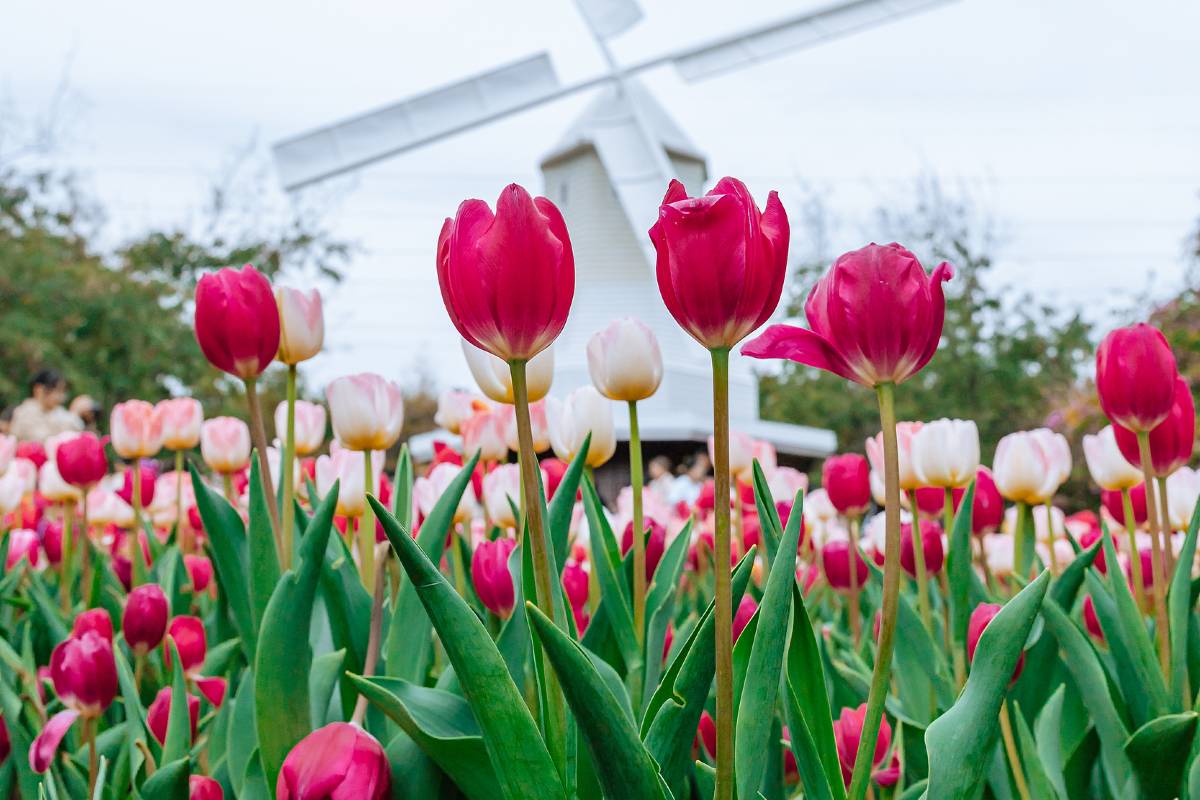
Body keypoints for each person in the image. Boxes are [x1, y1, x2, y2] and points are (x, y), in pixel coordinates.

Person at [9, 369, 83, 442]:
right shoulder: (23, 413)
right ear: (39, 389)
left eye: (63, 391)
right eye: (57, 390)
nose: (61, 397)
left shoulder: (60, 412)